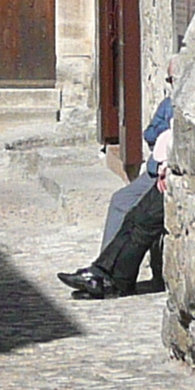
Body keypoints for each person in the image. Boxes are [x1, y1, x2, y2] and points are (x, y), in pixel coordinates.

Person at [61, 79, 175, 300]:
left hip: (167, 178)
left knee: (141, 222)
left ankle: (110, 279)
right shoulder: (169, 104)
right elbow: (153, 134)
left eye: (173, 79)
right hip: (160, 172)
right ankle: (103, 274)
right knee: (132, 214)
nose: (170, 83)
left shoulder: (184, 107)